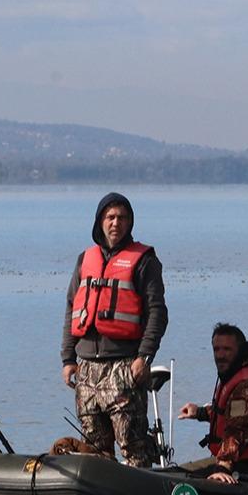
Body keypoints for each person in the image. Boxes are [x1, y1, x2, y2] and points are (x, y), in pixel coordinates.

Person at [61, 192, 167, 468]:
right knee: (94, 449)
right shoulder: (85, 259)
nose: (115, 223)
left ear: (130, 222)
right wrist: (68, 359)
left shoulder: (145, 261)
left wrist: (144, 357)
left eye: (122, 218)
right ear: (100, 222)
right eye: (110, 217)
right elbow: (72, 308)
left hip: (124, 366)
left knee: (133, 447)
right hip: (86, 370)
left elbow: (158, 313)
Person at [177, 323, 248, 484]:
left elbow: (238, 427)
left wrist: (223, 467)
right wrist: (198, 412)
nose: (220, 355)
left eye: (227, 349)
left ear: (240, 351)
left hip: (246, 465)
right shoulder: (238, 375)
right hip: (237, 461)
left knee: (179, 477)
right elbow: (230, 413)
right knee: (175, 473)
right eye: (216, 349)